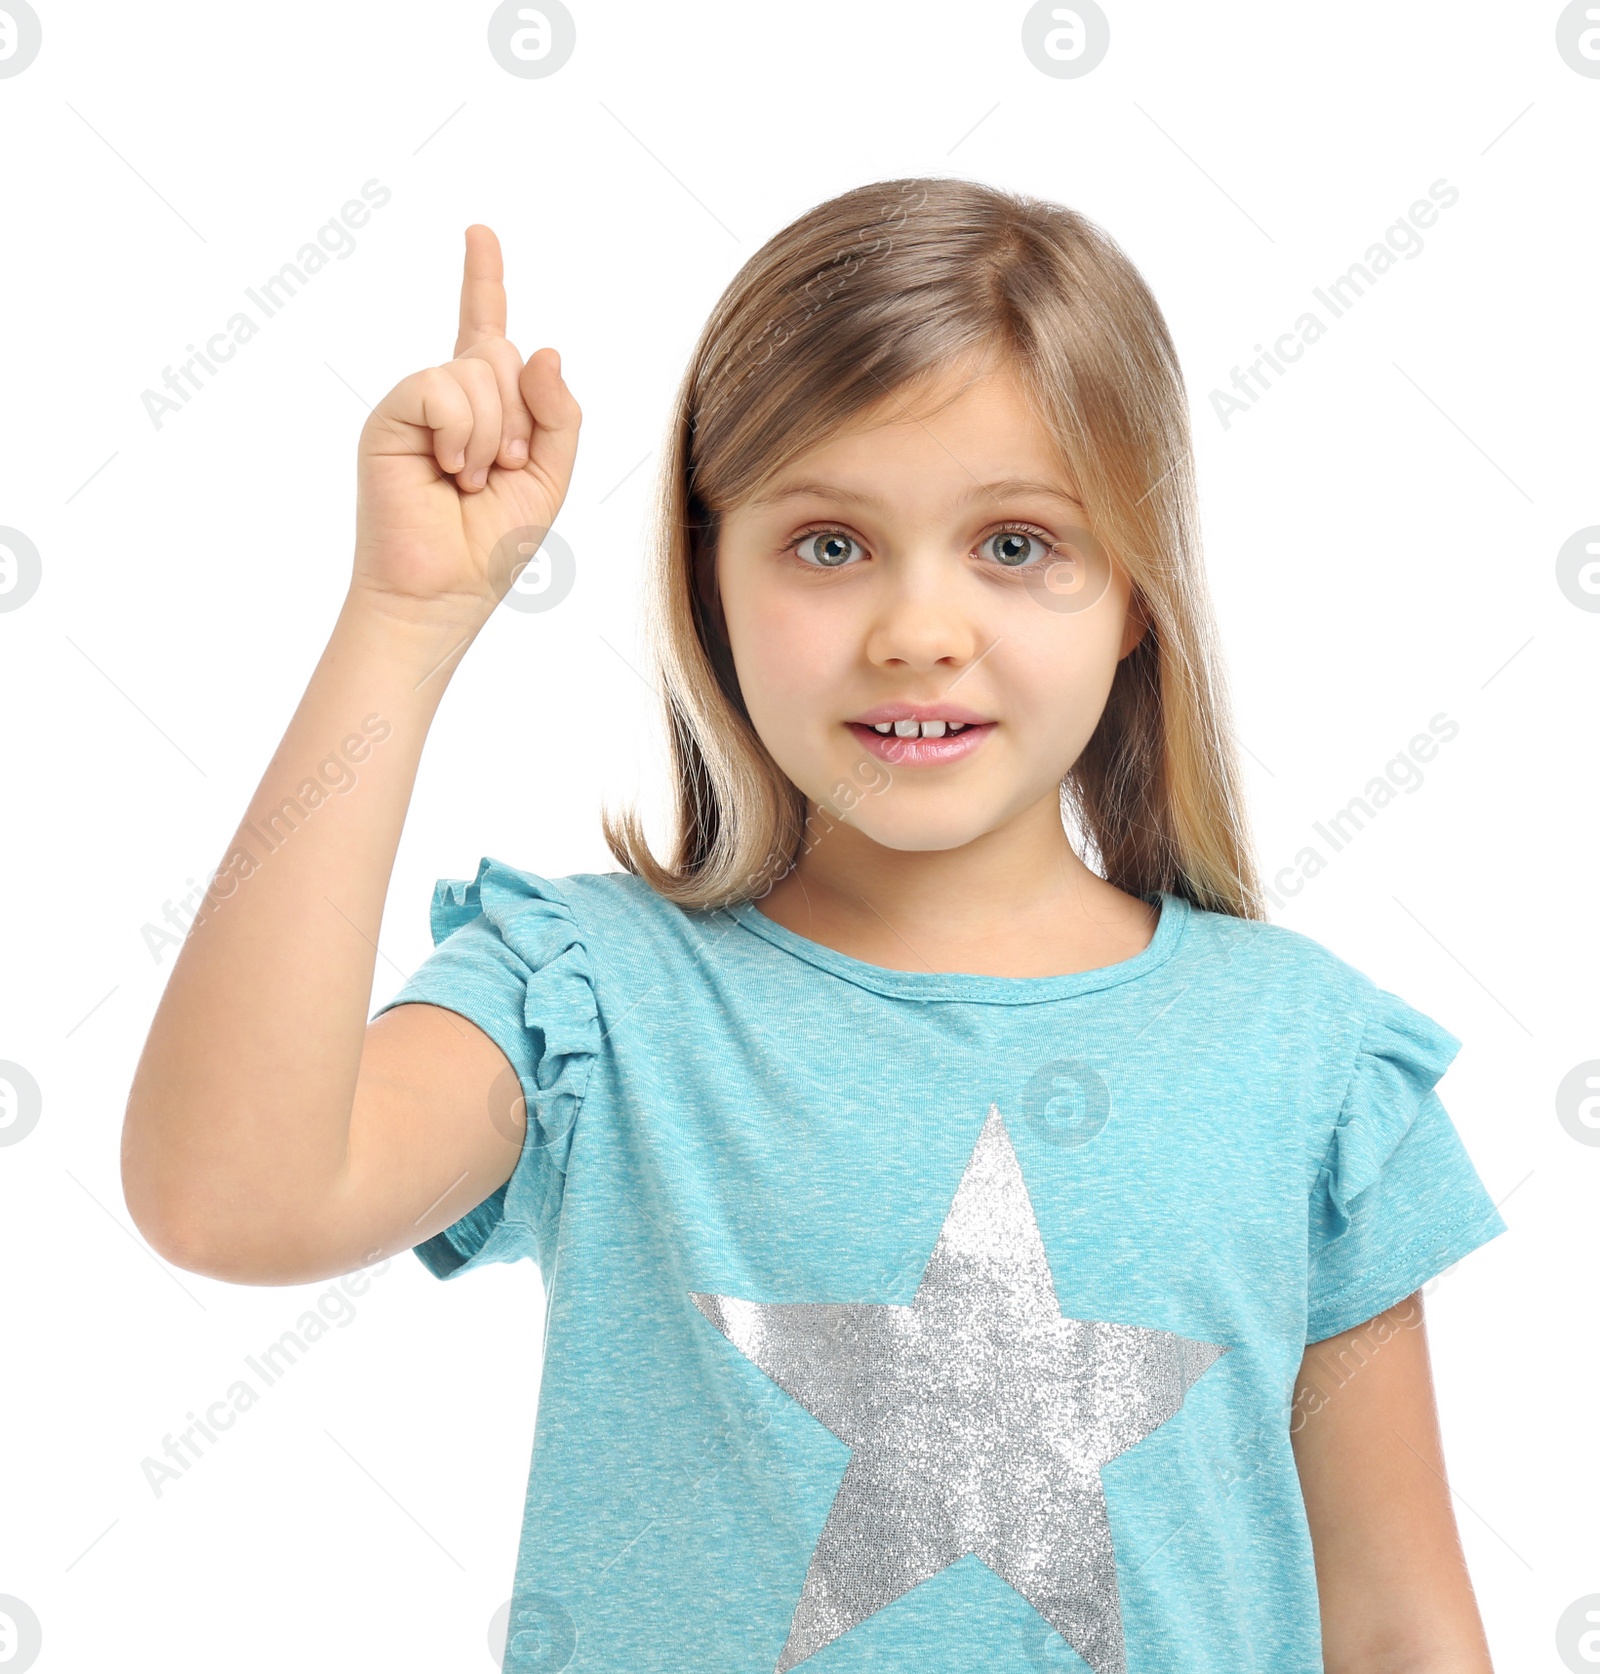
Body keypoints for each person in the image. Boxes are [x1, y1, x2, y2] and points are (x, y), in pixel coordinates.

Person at [121, 177, 1505, 1673]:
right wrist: (402, 619)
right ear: (708, 580)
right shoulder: (593, 1002)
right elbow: (232, 1197)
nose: (920, 626)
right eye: (831, 544)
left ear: (1134, 595)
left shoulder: (1306, 1063)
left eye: (1018, 544)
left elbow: (1399, 1621)